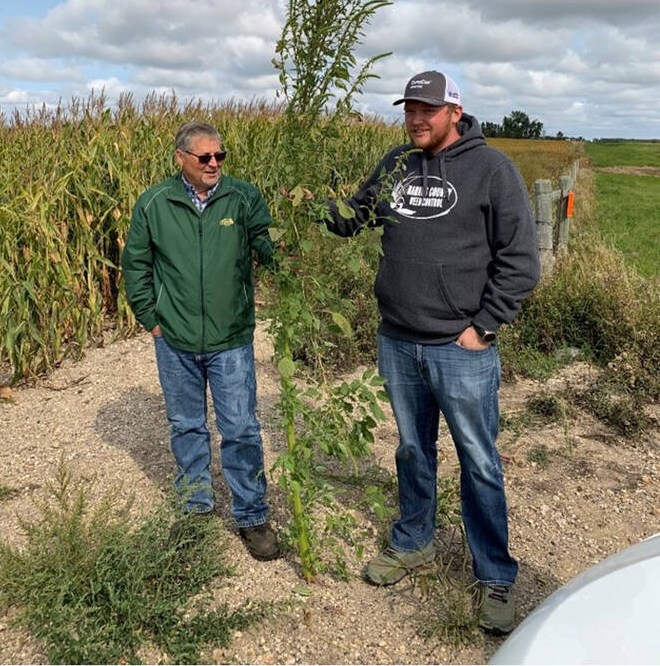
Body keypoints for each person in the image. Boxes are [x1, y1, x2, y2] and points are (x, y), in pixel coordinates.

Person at [325, 70, 540, 633]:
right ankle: (415, 541)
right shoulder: (397, 163)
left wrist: (484, 327)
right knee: (412, 451)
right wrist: (311, 202)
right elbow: (357, 217)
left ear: (453, 111)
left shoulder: (492, 170)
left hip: (459, 346)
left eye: (426, 110)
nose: (416, 119)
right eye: (409, 110)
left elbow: (520, 261)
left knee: (479, 462)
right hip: (398, 340)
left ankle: (495, 574)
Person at [121, 120, 280, 561]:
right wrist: (151, 318)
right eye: (205, 157)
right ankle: (195, 507)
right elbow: (136, 265)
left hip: (231, 337)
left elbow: (265, 243)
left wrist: (289, 257)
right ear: (181, 159)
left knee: (241, 428)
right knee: (187, 426)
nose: (214, 164)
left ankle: (251, 515)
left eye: (220, 156)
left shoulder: (243, 196)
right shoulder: (154, 203)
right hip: (176, 339)